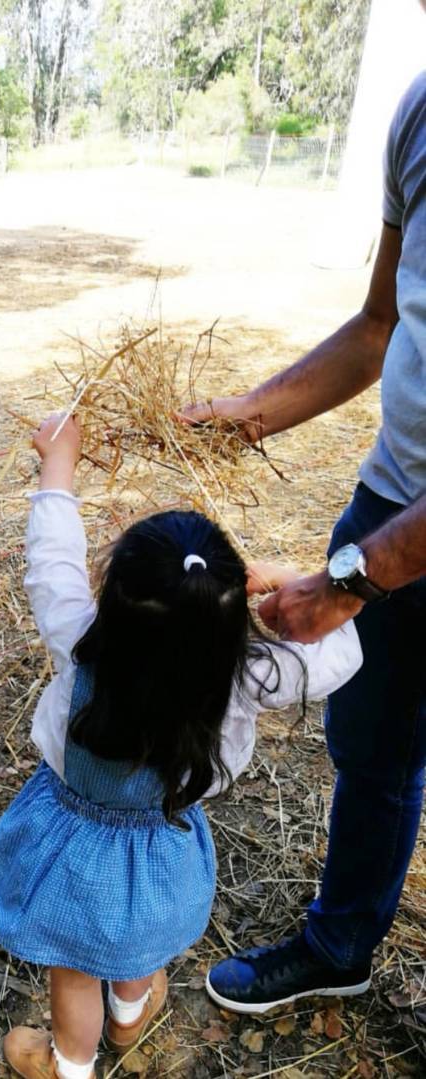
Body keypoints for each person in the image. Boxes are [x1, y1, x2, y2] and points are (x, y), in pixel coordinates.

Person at [0, 413, 362, 1079]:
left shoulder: (76, 634)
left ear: (114, 597)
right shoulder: (252, 671)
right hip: (161, 852)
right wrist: (293, 578)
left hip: (72, 851)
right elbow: (342, 652)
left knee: (74, 969)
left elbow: (52, 558)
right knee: (137, 940)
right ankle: (130, 1016)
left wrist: (58, 464)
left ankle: (69, 1064)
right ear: (233, 613)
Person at [181, 72, 425, 1014]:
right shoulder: (418, 113)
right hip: (395, 493)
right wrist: (245, 416)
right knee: (373, 746)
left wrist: (351, 579)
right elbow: (379, 325)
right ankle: (342, 943)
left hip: (386, 546)